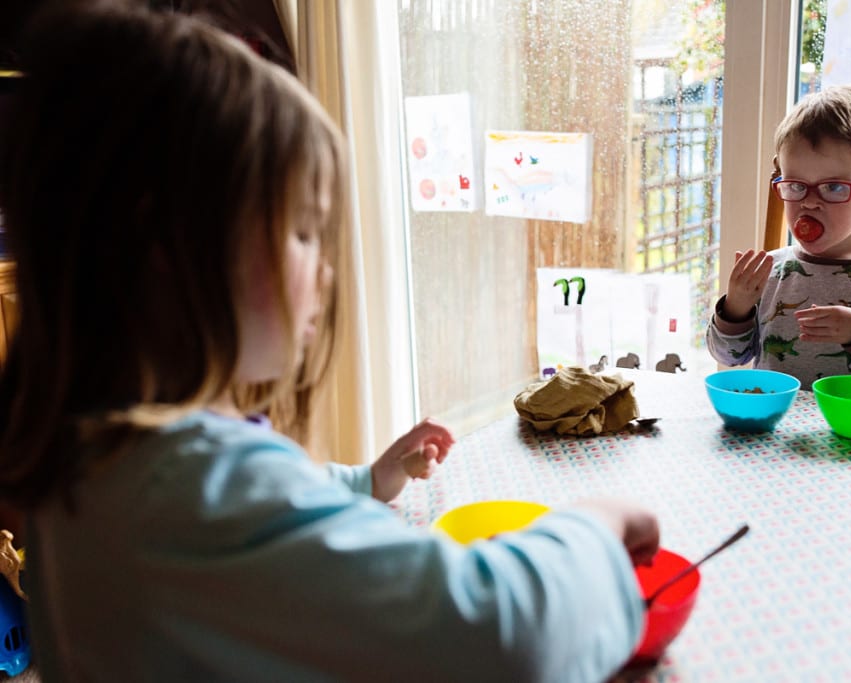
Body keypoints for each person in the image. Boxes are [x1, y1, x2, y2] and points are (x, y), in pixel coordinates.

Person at [0, 4, 659, 681]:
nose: (327, 269)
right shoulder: (192, 486)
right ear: (170, 240)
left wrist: (367, 479)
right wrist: (593, 525)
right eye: (305, 231)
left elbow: (281, 503)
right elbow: (499, 632)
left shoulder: (93, 460)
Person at [707, 84, 851, 391]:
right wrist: (735, 310)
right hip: (775, 433)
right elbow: (728, 356)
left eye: (833, 187)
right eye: (795, 185)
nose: (809, 202)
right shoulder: (772, 270)